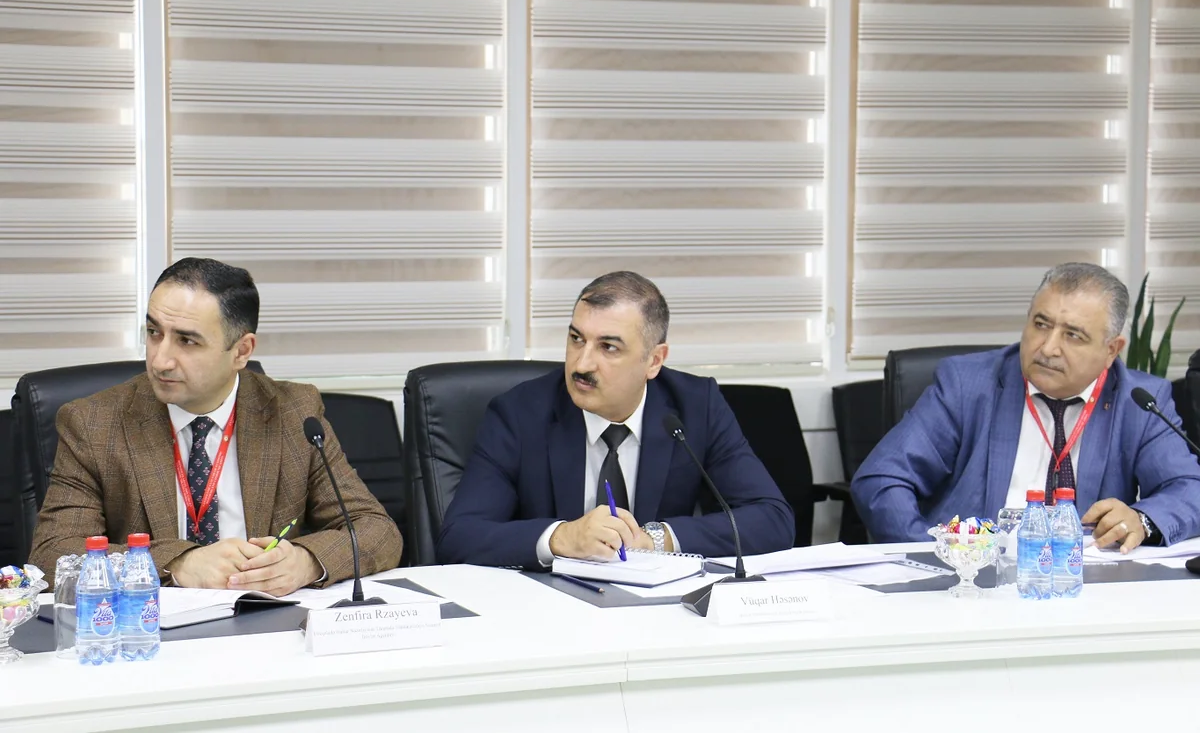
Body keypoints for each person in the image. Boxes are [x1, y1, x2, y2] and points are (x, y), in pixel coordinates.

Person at [30, 258, 402, 595]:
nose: (160, 360)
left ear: (241, 351)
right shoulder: (94, 424)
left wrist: (307, 561)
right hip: (148, 630)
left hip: (261, 625)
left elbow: (377, 530)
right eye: (154, 332)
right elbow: (53, 556)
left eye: (187, 340)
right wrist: (178, 564)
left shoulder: (292, 413)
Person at [437, 271, 794, 569]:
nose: (582, 364)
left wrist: (655, 539)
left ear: (654, 361)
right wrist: (562, 538)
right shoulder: (519, 413)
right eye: (576, 339)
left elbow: (773, 519)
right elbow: (459, 536)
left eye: (608, 347)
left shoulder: (695, 407)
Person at [852, 262, 1200, 550]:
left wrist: (1140, 520)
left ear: (1111, 350)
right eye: (1040, 325)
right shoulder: (968, 385)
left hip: (1083, 584)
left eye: (1073, 335)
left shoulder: (1138, 400)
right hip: (974, 582)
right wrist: (934, 555)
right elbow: (881, 479)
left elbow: (1190, 488)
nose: (1047, 348)